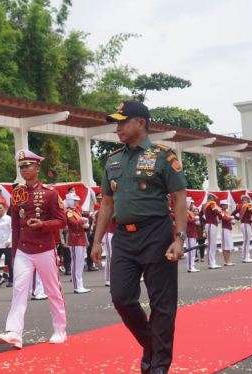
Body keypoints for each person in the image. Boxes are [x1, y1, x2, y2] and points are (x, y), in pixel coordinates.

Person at [91, 100, 188, 374]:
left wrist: (179, 238)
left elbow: (180, 199)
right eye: (117, 123)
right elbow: (107, 205)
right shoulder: (113, 160)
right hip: (123, 236)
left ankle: (159, 365)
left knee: (162, 302)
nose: (118, 128)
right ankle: (150, 344)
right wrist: (97, 241)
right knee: (121, 297)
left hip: (156, 233)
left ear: (141, 123)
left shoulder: (164, 156)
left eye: (123, 122)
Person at [0, 149, 67, 349]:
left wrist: (43, 224)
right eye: (21, 166)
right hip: (24, 250)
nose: (24, 169)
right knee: (18, 289)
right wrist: (14, 255)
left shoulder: (50, 193)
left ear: (37, 168)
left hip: (45, 249)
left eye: (28, 166)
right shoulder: (17, 194)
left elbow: (62, 221)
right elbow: (15, 227)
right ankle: (15, 332)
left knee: (52, 290)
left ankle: (60, 329)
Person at [64, 188, 90, 293]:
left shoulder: (77, 212)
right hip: (74, 239)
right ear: (70, 201)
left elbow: (81, 225)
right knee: (75, 263)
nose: (77, 202)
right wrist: (82, 220)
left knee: (80, 263)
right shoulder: (69, 212)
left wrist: (86, 225)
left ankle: (80, 284)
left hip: (81, 238)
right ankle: (76, 285)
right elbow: (73, 223)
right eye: (75, 200)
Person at [200, 193, 223, 269]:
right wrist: (221, 218)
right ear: (212, 198)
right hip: (211, 225)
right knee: (211, 244)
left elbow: (200, 216)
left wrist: (205, 221)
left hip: (210, 224)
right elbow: (218, 213)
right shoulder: (211, 204)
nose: (215, 201)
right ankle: (211, 262)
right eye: (214, 199)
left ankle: (212, 261)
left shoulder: (204, 205)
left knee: (213, 243)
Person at [231, 194, 252, 263]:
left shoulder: (239, 206)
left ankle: (247, 256)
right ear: (247, 200)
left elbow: (232, 214)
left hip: (244, 223)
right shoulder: (247, 205)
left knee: (247, 240)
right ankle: (245, 257)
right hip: (245, 224)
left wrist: (238, 218)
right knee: (246, 241)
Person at [185, 197, 200, 273]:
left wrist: (196, 221)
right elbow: (188, 221)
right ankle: (190, 267)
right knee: (190, 251)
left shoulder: (189, 212)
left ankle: (192, 265)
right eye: (191, 203)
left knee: (193, 250)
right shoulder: (185, 211)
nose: (192, 205)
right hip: (189, 233)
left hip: (192, 233)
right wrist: (195, 219)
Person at [219, 200, 235, 266]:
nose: (227, 206)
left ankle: (228, 260)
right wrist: (231, 218)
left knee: (228, 245)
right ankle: (226, 261)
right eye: (226, 205)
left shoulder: (226, 212)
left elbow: (228, 219)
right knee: (225, 246)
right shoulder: (221, 212)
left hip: (229, 228)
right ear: (222, 205)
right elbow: (224, 219)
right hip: (224, 229)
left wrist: (232, 221)